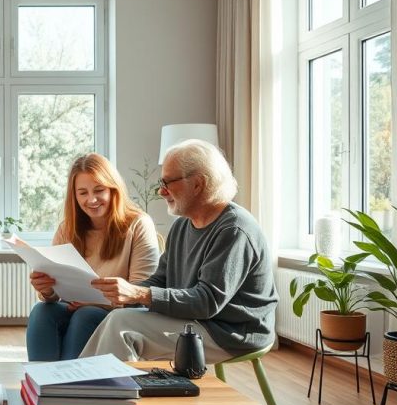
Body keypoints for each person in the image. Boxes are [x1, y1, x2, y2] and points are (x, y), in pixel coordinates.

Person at [79, 139, 278, 363]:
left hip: (231, 333)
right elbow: (161, 280)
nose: (161, 191)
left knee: (121, 325)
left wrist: (137, 294)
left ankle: (103, 391)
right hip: (197, 321)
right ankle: (82, 385)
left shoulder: (234, 230)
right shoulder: (183, 225)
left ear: (198, 184)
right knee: (118, 318)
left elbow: (206, 302)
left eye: (168, 182)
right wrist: (118, 294)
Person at [26, 153, 160, 361]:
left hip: (118, 313)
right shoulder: (67, 229)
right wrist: (46, 289)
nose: (91, 200)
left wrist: (98, 303)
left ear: (113, 189)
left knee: (85, 316)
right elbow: (54, 296)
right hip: (74, 306)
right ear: (74, 196)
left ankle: (72, 385)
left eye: (99, 190)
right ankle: (41, 381)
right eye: (82, 193)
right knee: (41, 312)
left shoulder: (138, 224)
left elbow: (141, 294)